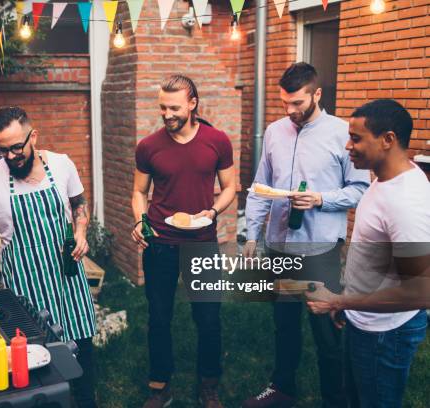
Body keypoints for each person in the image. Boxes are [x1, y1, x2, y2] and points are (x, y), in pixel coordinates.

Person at [0, 106, 97, 407]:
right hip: (28, 285)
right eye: (3, 150)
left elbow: (79, 203)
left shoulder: (62, 164)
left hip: (68, 276)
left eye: (16, 147)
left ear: (33, 137)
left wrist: (80, 231)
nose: (11, 156)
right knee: (37, 358)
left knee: (84, 353)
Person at [242, 63, 370, 408]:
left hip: (320, 251)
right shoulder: (274, 132)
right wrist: (252, 235)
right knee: (284, 326)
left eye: (297, 103)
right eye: (285, 102)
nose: (290, 111)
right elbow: (259, 188)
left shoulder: (343, 134)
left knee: (326, 333)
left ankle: (335, 400)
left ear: (317, 94)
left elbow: (360, 188)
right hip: (279, 246)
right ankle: (282, 389)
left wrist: (320, 199)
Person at [306, 99, 430, 408]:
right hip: (364, 320)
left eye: (357, 138)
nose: (348, 146)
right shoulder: (384, 178)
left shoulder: (406, 202)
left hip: (386, 335)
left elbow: (420, 292)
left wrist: (340, 300)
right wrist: (349, 302)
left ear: (388, 139)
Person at [131, 74, 237, 408]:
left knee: (208, 318)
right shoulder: (149, 146)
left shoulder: (217, 141)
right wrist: (140, 219)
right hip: (160, 242)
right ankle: (160, 385)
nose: (167, 114)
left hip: (202, 241)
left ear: (192, 104)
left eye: (174, 107)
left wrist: (213, 210)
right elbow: (139, 191)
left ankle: (209, 384)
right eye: (162, 107)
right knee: (159, 318)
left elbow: (231, 187)